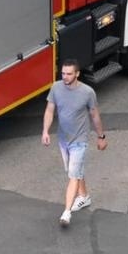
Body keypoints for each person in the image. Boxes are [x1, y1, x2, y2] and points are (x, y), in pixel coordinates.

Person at [41, 59, 106, 228]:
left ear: (77, 74)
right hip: (63, 139)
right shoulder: (56, 88)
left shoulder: (87, 92)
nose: (65, 76)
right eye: (63, 73)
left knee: (72, 175)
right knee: (74, 171)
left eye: (69, 73)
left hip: (80, 141)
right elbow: (49, 110)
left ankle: (66, 212)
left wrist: (101, 137)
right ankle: (84, 197)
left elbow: (95, 115)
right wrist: (45, 131)